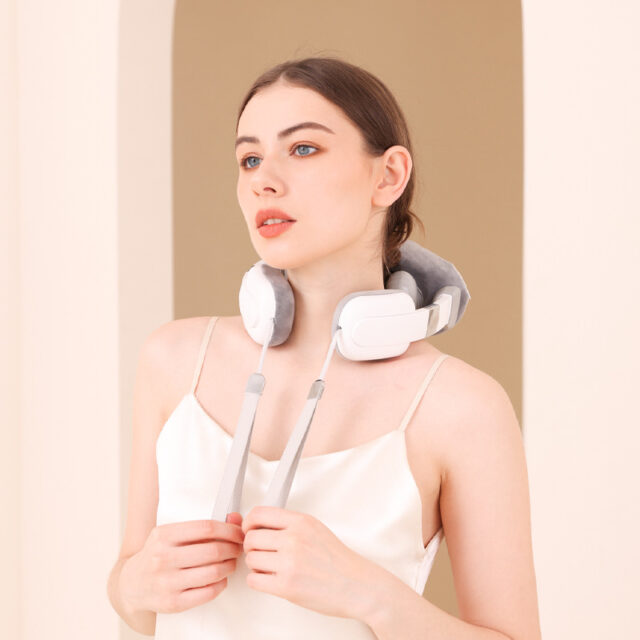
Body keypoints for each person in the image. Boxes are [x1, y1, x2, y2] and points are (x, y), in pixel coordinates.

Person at [107, 56, 541, 639]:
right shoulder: (174, 360)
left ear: (388, 176)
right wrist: (134, 586)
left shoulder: (462, 406)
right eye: (250, 158)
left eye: (303, 149)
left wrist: (368, 594)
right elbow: (134, 601)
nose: (263, 179)